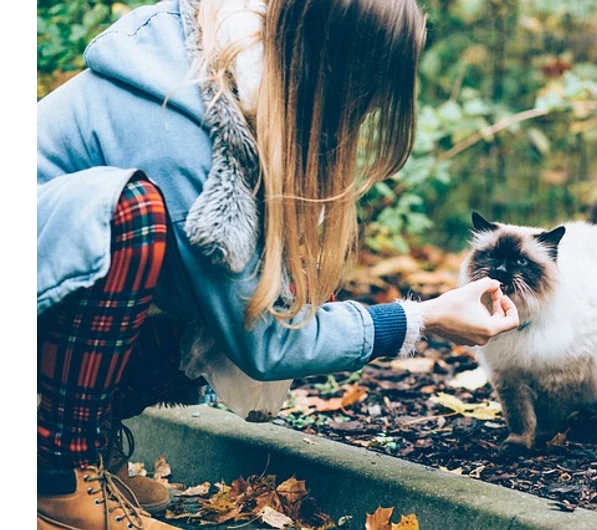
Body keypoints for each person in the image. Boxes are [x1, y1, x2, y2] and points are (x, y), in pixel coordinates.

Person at [36, 0, 519, 528]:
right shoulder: (187, 127)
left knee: (191, 272)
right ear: (336, 74)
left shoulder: (235, 86)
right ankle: (54, 477)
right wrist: (423, 317)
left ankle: (87, 447)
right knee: (132, 218)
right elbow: (264, 340)